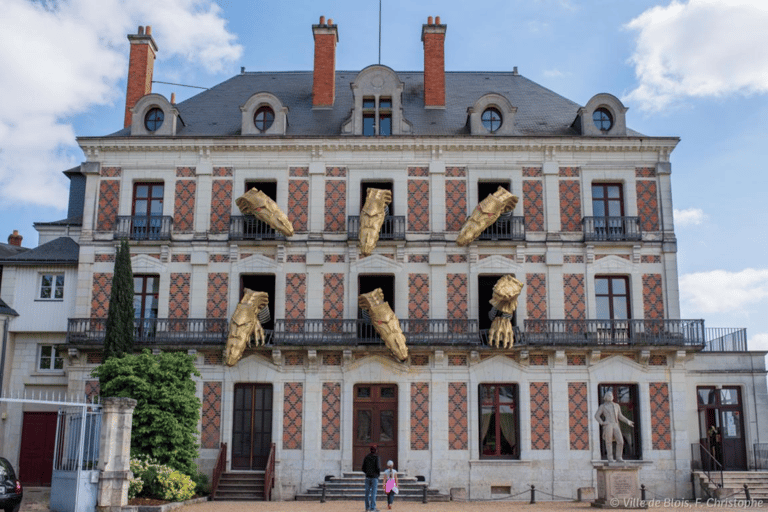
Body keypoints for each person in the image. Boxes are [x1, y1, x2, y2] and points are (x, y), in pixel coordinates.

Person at [594, 391, 634, 462]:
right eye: (609, 395)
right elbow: (596, 415)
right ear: (606, 397)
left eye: (611, 395)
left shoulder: (617, 406)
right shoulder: (603, 406)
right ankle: (610, 458)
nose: (610, 396)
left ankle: (619, 457)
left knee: (621, 441)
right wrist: (602, 422)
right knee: (608, 442)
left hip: (616, 424)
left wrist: (627, 421)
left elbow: (620, 416)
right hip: (608, 424)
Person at [362, 444, 381, 512]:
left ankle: (367, 508)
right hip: (374, 477)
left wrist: (367, 473)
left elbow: (363, 468)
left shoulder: (366, 457)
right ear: (376, 450)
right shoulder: (376, 457)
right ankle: (373, 508)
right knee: (373, 492)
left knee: (367, 492)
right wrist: (377, 474)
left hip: (367, 477)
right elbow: (378, 467)